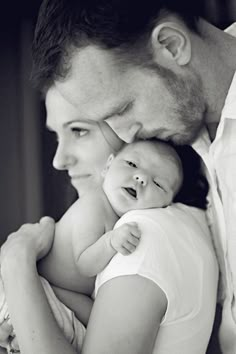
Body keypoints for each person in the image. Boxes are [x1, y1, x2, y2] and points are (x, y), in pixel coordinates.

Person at [27, 0, 236, 352]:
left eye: (123, 108)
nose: (123, 138)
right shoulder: (190, 134)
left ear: (171, 45)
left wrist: (18, 266)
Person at [0, 82, 218, 354]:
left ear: (131, 126)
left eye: (80, 131)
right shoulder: (162, 220)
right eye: (57, 136)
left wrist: (17, 264)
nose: (58, 160)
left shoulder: (145, 232)